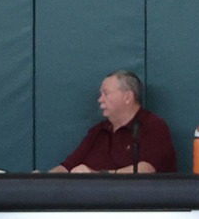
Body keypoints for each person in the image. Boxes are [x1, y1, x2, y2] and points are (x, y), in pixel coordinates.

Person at [49, 70, 177, 174]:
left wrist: (99, 176)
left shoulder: (152, 126)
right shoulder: (98, 132)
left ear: (127, 97)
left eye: (106, 93)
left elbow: (146, 169)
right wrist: (44, 180)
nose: (100, 100)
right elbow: (67, 167)